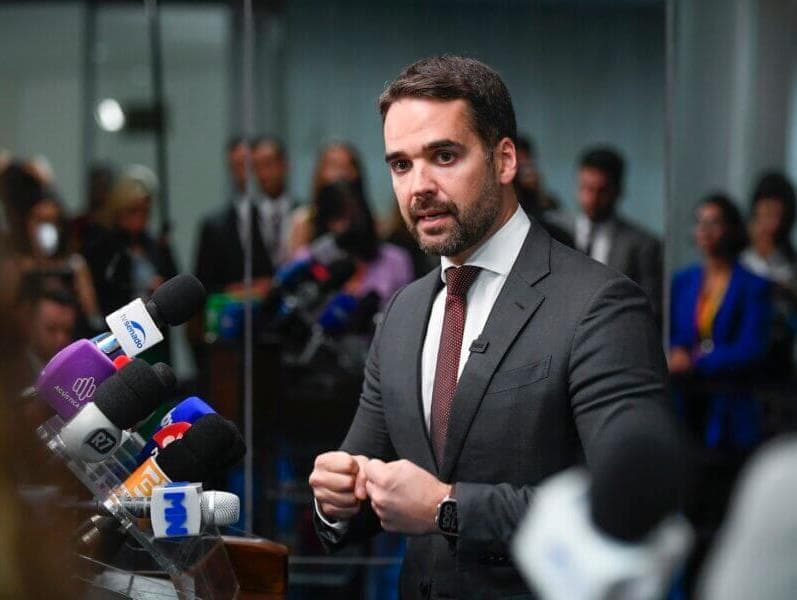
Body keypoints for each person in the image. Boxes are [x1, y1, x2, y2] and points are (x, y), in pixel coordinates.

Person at [308, 55, 673, 598]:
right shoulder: (404, 313)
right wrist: (334, 499)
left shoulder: (599, 304)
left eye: (444, 156)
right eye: (401, 165)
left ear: (505, 160)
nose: (419, 186)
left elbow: (634, 502)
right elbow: (366, 483)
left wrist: (447, 508)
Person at [669, 193, 770, 449]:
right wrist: (677, 352)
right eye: (700, 222)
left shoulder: (753, 285)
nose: (705, 230)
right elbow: (674, 335)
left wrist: (697, 360)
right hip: (686, 403)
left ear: (732, 229)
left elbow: (752, 348)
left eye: (714, 222)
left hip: (731, 404)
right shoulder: (683, 281)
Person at [573, 146, 663, 321]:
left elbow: (650, 308)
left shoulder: (642, 245)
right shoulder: (558, 233)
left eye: (601, 191)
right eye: (586, 188)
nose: (592, 199)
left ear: (618, 190)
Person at [194, 137, 274, 297]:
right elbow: (203, 287)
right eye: (239, 166)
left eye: (254, 164)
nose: (248, 173)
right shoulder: (214, 227)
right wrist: (245, 291)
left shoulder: (297, 216)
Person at [287, 142, 364, 258]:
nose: (341, 174)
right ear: (319, 174)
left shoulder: (369, 222)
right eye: (334, 166)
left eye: (347, 166)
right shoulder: (304, 222)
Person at [251, 135, 297, 269]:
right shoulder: (242, 219)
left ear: (284, 165)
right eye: (257, 167)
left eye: (268, 164)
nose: (263, 174)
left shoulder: (305, 213)